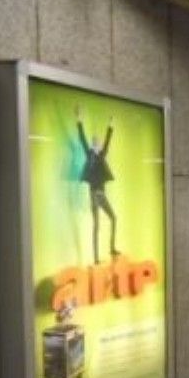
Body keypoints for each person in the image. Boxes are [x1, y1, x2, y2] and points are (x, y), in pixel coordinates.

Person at [76, 107, 118, 264]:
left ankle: (112, 248)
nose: (96, 143)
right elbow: (82, 138)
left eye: (97, 141)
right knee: (97, 225)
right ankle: (96, 259)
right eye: (94, 141)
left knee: (114, 218)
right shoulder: (89, 154)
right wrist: (79, 119)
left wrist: (110, 124)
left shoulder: (101, 154)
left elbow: (108, 141)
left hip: (102, 194)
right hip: (94, 194)